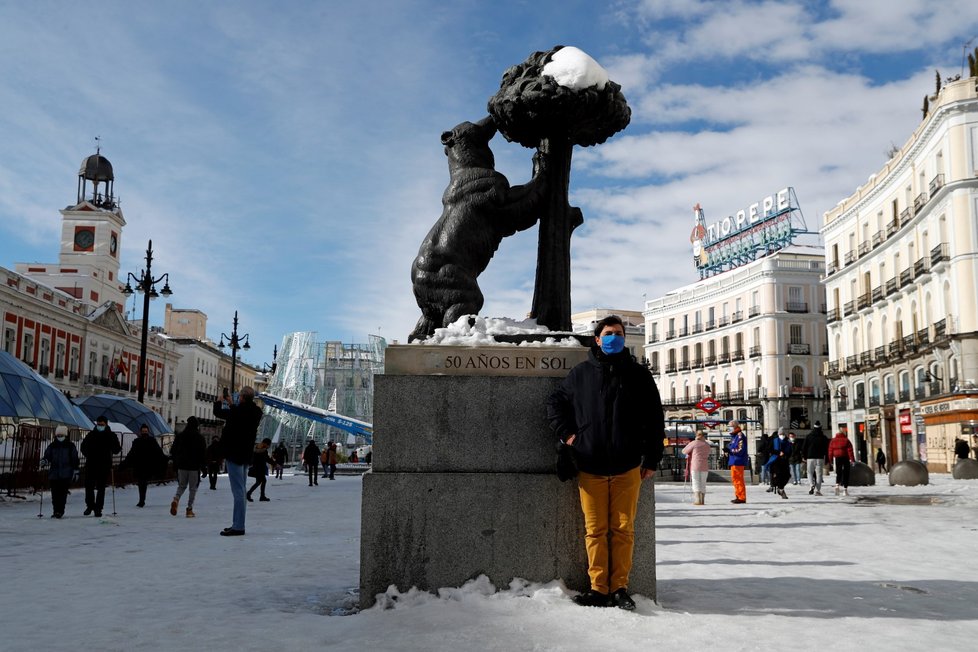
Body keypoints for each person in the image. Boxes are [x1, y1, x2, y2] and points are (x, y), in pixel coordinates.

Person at [546, 315, 665, 611]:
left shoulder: (639, 375)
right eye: (609, 333)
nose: (615, 338)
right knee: (595, 530)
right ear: (597, 339)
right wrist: (570, 436)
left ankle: (620, 588)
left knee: (623, 530)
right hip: (590, 465)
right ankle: (599, 588)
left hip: (627, 467)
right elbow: (555, 403)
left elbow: (654, 419)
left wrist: (652, 457)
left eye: (620, 333)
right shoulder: (581, 374)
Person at [213, 386, 263, 536]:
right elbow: (241, 414)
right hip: (246, 454)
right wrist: (231, 404)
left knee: (238, 492)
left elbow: (218, 412)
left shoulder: (238, 412)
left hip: (234, 453)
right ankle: (237, 523)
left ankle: (239, 526)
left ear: (241, 397)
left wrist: (219, 401)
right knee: (241, 490)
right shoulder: (256, 412)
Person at [80, 415, 121, 517]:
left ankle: (98, 508)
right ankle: (90, 506)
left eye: (102, 424)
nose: (100, 426)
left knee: (101, 488)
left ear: (106, 424)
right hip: (91, 464)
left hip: (104, 465)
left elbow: (116, 449)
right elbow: (83, 447)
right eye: (98, 424)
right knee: (89, 487)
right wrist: (88, 454)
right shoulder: (91, 435)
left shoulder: (111, 435)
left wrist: (115, 446)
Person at [119, 424, 168, 507]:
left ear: (148, 432)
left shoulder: (152, 441)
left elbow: (158, 452)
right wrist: (123, 464)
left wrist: (165, 458)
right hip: (139, 466)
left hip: (148, 466)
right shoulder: (137, 441)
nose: (144, 433)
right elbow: (131, 454)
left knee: (143, 483)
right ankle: (141, 500)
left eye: (146, 431)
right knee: (141, 483)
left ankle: (142, 500)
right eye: (143, 431)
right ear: (140, 432)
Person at [169, 416, 207, 517]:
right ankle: (189, 509)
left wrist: (176, 464)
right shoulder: (200, 438)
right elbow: (202, 453)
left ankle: (176, 499)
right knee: (193, 488)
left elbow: (173, 451)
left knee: (181, 486)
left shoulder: (180, 436)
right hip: (194, 467)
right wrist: (204, 467)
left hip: (182, 466)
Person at [41, 425, 79, 518]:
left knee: (62, 494)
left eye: (61, 435)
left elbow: (74, 459)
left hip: (66, 474)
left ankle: (60, 511)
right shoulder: (52, 446)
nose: (59, 437)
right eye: (58, 435)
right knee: (55, 494)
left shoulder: (70, 446)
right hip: (54, 474)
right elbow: (47, 456)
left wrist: (76, 470)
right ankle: (55, 511)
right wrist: (44, 461)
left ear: (66, 436)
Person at [681, 431, 711, 505]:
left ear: (696, 435)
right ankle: (702, 499)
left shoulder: (694, 443)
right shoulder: (707, 444)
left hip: (695, 465)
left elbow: (684, 451)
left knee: (696, 482)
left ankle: (697, 500)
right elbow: (708, 453)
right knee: (703, 483)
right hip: (704, 466)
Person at [802, 421, 829, 496]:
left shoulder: (809, 436)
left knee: (810, 472)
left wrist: (804, 456)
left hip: (810, 457)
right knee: (819, 474)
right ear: (821, 428)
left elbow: (804, 447)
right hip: (820, 458)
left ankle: (811, 485)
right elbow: (827, 449)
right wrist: (827, 459)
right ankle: (818, 490)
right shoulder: (824, 437)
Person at [727, 420, 749, 504]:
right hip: (734, 460)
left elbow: (740, 449)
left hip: (738, 460)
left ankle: (741, 497)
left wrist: (730, 450)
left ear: (735, 426)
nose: (728, 428)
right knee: (735, 479)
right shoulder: (734, 436)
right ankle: (738, 495)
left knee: (738, 479)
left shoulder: (739, 436)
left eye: (730, 426)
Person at [828, 431, 855, 496]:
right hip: (845, 457)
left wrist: (830, 460)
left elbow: (830, 451)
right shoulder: (846, 440)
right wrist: (852, 460)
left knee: (838, 471)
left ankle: (837, 485)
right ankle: (845, 490)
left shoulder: (833, 440)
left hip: (837, 458)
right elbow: (850, 451)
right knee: (846, 473)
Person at [246, 438, 273, 502]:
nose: (269, 446)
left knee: (260, 481)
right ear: (266, 444)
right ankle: (254, 495)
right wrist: (275, 464)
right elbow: (267, 459)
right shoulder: (263, 450)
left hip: (256, 468)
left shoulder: (256, 448)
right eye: (268, 445)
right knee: (262, 481)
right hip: (260, 468)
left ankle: (254, 495)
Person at [770, 429, 792, 499]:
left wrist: (785, 454)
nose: (782, 435)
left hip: (785, 461)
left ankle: (780, 488)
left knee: (787, 475)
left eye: (783, 434)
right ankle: (781, 489)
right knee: (779, 475)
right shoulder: (774, 441)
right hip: (776, 461)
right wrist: (778, 453)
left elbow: (790, 451)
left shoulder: (787, 441)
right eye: (780, 434)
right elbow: (770, 449)